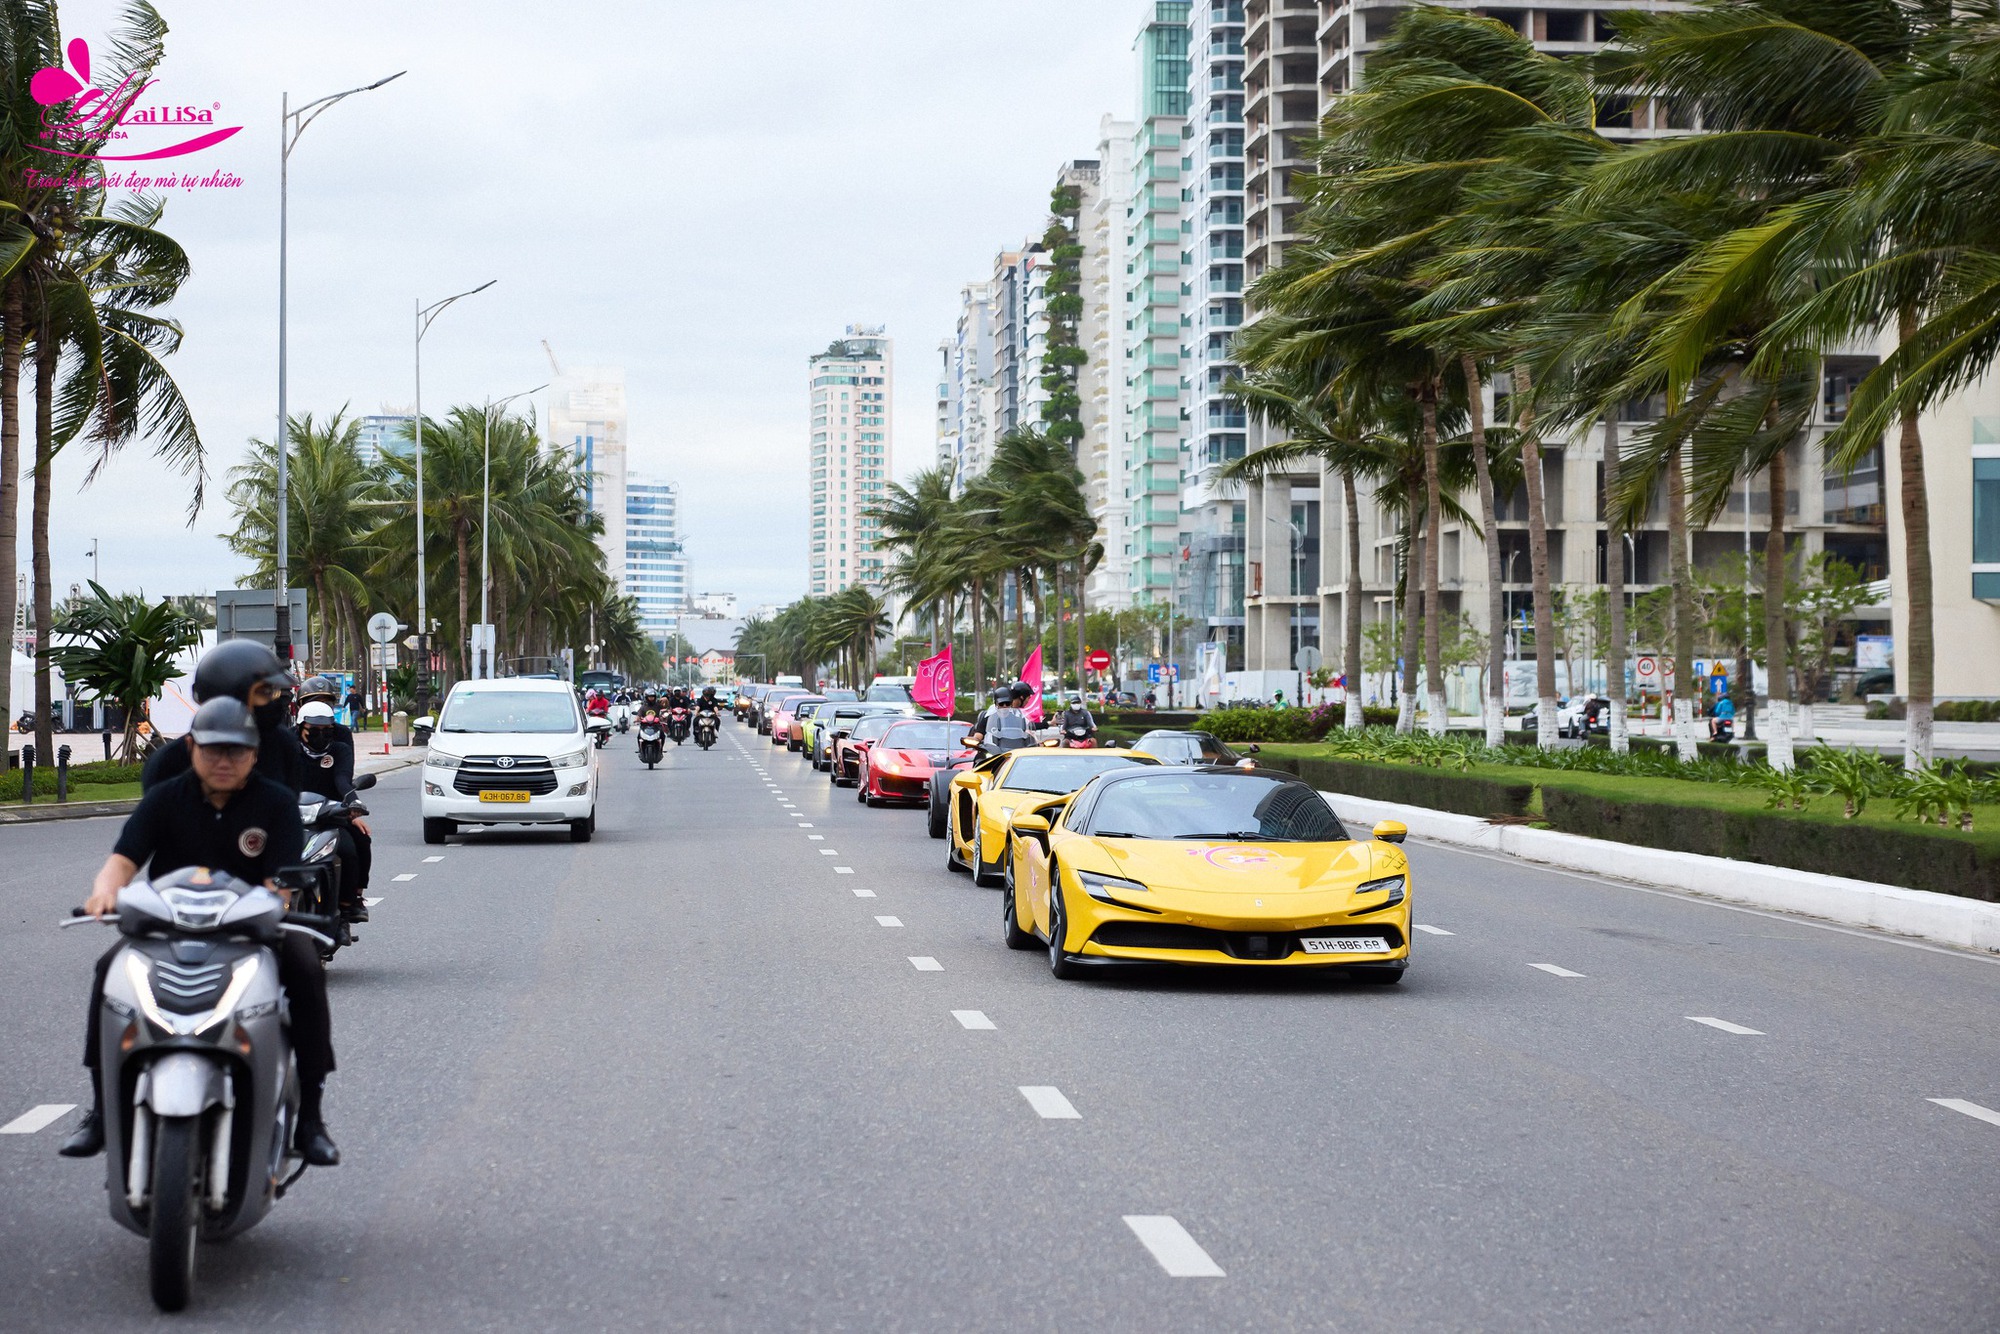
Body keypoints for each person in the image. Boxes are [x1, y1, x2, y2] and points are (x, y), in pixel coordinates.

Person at [63, 697, 340, 1167]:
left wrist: (272, 905)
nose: (224, 760)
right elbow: (123, 860)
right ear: (191, 747)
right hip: (168, 925)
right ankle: (101, 1113)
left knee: (306, 968)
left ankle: (311, 1117)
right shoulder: (165, 797)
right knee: (109, 969)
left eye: (236, 750)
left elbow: (283, 884)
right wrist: (104, 893)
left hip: (250, 929)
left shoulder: (275, 803)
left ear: (254, 753)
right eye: (213, 749)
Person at [142, 641, 306, 793]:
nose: (273, 701)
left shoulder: (283, 745)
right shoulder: (168, 763)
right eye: (264, 693)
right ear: (230, 696)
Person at [298, 701, 372, 923]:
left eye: (327, 731)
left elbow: (342, 780)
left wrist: (353, 805)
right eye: (314, 731)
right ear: (301, 728)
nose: (321, 736)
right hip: (292, 813)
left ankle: (350, 902)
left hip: (332, 813)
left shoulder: (340, 750)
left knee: (355, 844)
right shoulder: (286, 747)